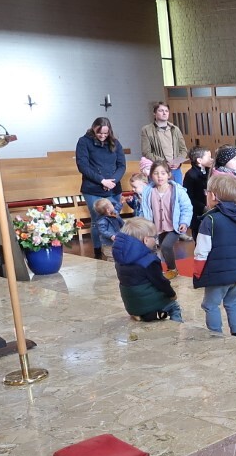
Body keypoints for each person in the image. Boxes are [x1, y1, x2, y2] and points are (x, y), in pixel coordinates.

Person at [192, 174, 236, 338]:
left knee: (210, 305)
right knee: (233, 303)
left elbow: (202, 250)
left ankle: (216, 335)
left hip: (219, 274)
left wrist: (198, 273)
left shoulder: (210, 219)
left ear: (213, 196)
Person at [113, 217, 182, 322]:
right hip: (146, 303)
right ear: (146, 240)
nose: (156, 240)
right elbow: (161, 282)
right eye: (154, 237)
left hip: (131, 304)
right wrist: (172, 294)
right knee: (174, 306)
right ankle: (175, 326)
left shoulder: (120, 258)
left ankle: (142, 315)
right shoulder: (149, 261)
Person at [76, 117, 126, 260]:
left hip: (113, 187)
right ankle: (98, 251)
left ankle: (116, 248)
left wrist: (113, 181)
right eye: (99, 133)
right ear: (94, 128)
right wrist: (102, 180)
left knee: (114, 217)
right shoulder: (84, 141)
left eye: (106, 133)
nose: (103, 136)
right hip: (93, 188)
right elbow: (83, 166)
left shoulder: (115, 142)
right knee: (97, 220)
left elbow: (121, 165)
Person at [141, 161, 192, 279]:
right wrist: (145, 225)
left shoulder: (177, 190)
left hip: (174, 226)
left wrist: (184, 222)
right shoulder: (148, 192)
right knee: (160, 248)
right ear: (151, 175)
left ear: (168, 175)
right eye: (156, 173)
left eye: (163, 173)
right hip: (157, 227)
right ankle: (166, 269)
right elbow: (145, 209)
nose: (159, 176)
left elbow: (186, 208)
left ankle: (173, 269)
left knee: (166, 246)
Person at [140, 102, 189, 184]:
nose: (164, 113)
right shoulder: (147, 130)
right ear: (154, 113)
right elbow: (146, 152)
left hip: (175, 169)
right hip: (158, 169)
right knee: (158, 191)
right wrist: (164, 162)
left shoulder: (175, 129)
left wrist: (178, 162)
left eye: (166, 111)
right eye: (161, 110)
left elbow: (183, 149)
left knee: (178, 190)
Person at [183, 146, 213, 239]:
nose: (211, 159)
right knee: (199, 237)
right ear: (199, 160)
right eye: (209, 157)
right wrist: (203, 207)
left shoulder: (210, 172)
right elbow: (189, 197)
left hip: (210, 209)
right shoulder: (190, 175)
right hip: (197, 212)